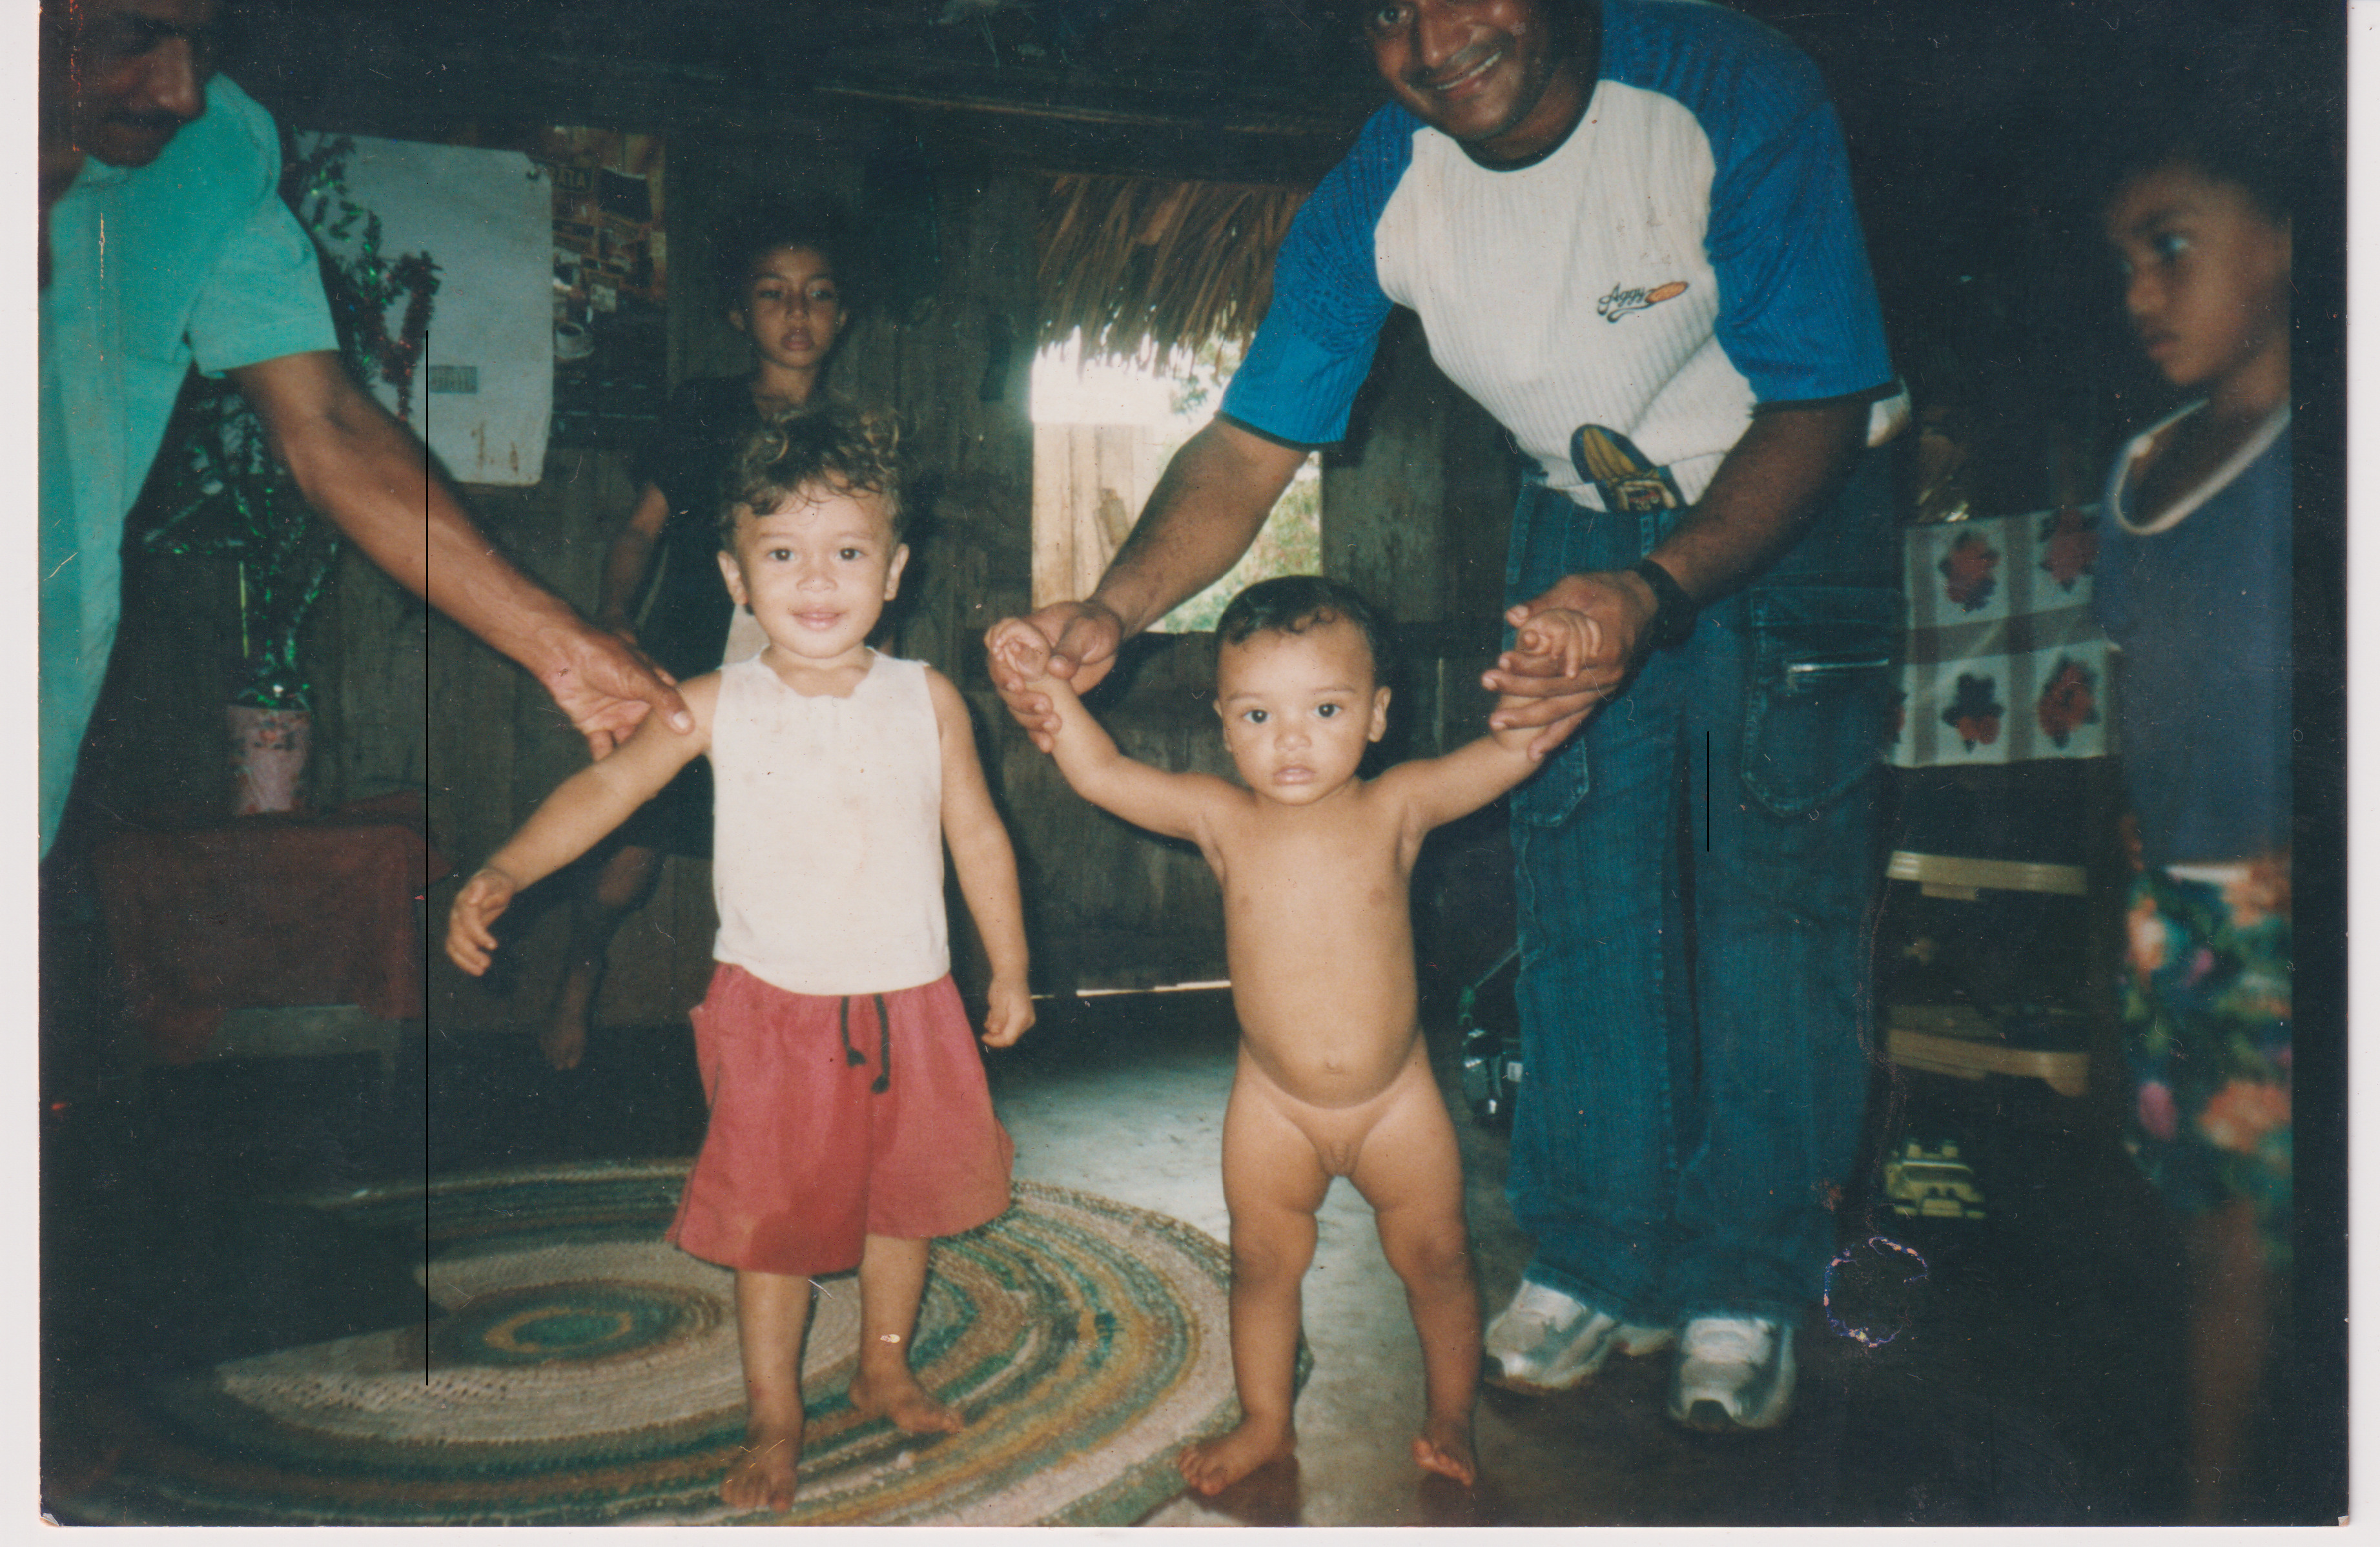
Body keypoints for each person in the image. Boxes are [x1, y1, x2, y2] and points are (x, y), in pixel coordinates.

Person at [989, 0, 1902, 1432]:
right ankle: (1598, 1255)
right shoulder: (1378, 185)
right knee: (1581, 894)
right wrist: (1112, 605)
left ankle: (1754, 1277)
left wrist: (1651, 592)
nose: (1430, 38)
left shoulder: (1729, 89)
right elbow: (1251, 441)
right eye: (1385, 11)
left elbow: (1819, 404)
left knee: (1771, 908)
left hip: (1782, 504)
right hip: (1573, 506)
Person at [448, 410, 1031, 1511]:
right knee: (775, 1231)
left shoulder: (928, 699)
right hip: (775, 1013)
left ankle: (884, 1365)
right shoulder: (714, 704)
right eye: (783, 554)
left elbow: (979, 835)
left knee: (902, 1208)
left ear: (894, 571)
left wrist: (1006, 966)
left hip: (912, 1002)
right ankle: (774, 1413)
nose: (816, 579)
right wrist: (508, 868)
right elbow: (606, 788)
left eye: (847, 552)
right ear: (735, 577)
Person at [39, 0, 689, 858]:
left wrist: (560, 645)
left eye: (205, 41)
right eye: (134, 36)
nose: (182, 92)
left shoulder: (214, 148)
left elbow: (330, 425)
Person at [998, 575, 1590, 1494]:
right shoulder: (1221, 817)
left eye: (1324, 709)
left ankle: (1448, 1414)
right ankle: (1265, 1423)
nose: (1291, 739)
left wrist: (1562, 665)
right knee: (1262, 1266)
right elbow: (1103, 772)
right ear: (1224, 725)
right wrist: (1049, 692)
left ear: (1378, 714)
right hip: (1273, 1106)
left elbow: (1517, 747)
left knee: (1437, 1262)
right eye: (1258, 715)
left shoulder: (1398, 804)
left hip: (1395, 1104)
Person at [2094, 105, 2295, 1524]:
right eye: (2125, 263)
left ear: (2284, 245)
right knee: (2210, 1230)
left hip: (2291, 911)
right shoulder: (2141, 470)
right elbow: (2139, 685)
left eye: (2172, 248)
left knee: (2270, 1241)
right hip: (2175, 909)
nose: (2139, 293)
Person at [543, 209, 851, 1070]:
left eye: (819, 294)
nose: (797, 313)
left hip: (800, 677)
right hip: (688, 663)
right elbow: (639, 531)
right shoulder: (705, 410)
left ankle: (781, 1049)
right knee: (626, 863)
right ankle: (580, 971)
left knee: (790, 868)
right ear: (738, 314)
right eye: (774, 294)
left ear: (843, 313)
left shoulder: (852, 436)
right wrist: (614, 619)